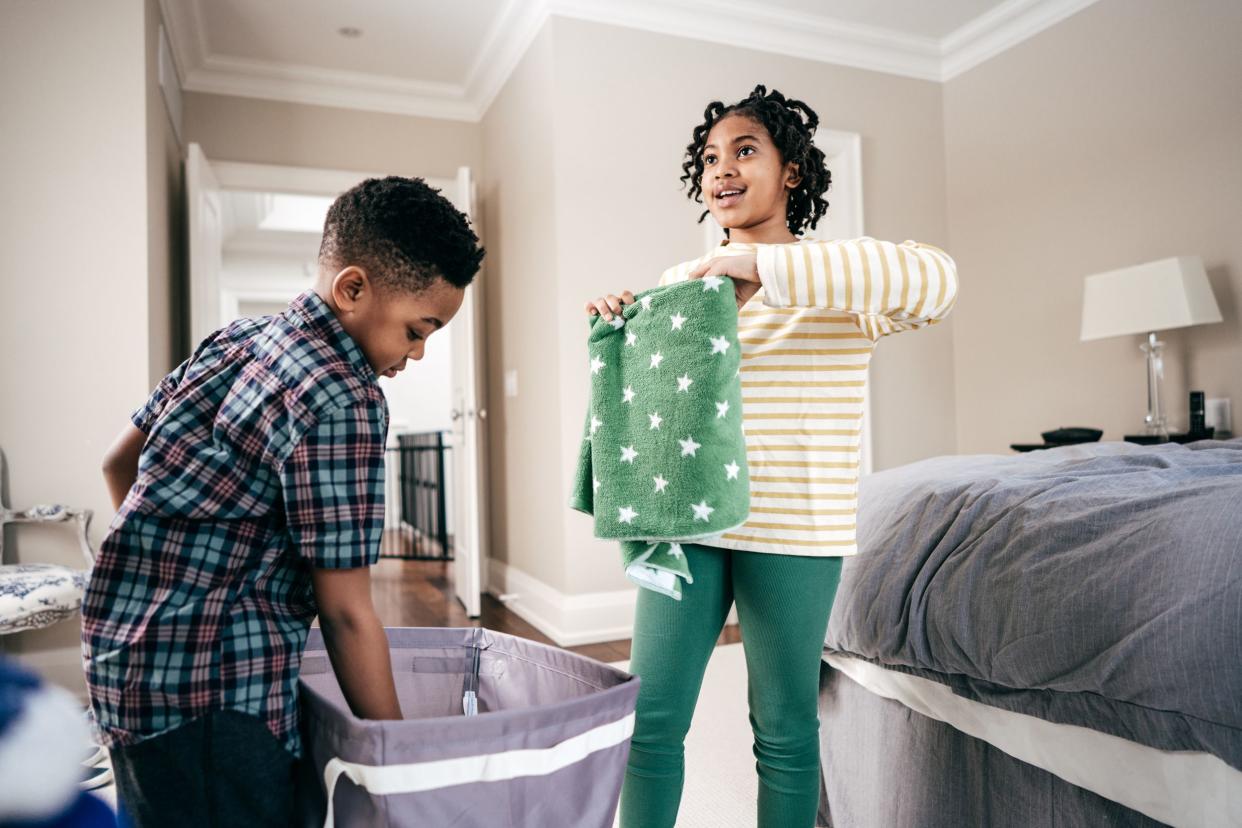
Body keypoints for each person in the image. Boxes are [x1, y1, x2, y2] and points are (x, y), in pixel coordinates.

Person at [585, 84, 958, 827]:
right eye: (710, 158)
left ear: (792, 171)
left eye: (745, 150)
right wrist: (619, 335)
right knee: (650, 723)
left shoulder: (841, 281)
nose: (721, 169)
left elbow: (937, 282)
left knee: (785, 731)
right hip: (687, 525)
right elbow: (654, 416)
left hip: (795, 529)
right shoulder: (680, 288)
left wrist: (767, 271)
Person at [82, 176, 484, 827]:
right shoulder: (345, 397)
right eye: (418, 329)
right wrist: (402, 760)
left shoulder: (233, 340)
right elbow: (348, 612)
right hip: (212, 695)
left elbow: (117, 462)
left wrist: (168, 568)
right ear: (352, 289)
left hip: (124, 661)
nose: (417, 353)